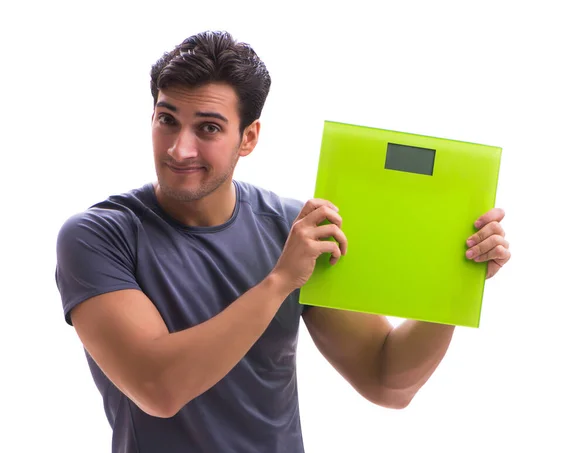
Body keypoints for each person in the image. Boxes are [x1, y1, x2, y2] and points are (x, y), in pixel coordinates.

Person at [55, 30, 511, 453]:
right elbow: (158, 388)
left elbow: (387, 380)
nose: (180, 148)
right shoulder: (98, 237)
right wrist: (280, 281)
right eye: (167, 120)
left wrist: (457, 278)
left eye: (208, 128)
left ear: (248, 137)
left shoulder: (290, 229)